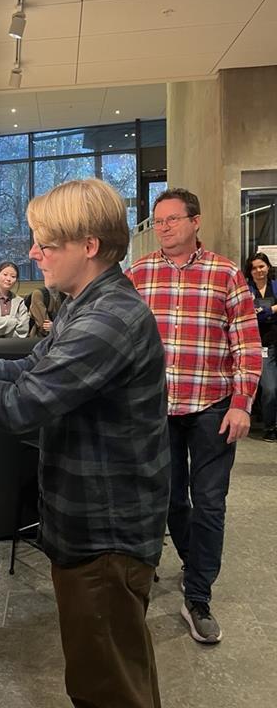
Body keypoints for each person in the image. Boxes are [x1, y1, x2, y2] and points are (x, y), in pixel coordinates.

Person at [0, 179, 170, 708]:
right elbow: (35, 369)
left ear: (89, 245)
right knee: (109, 673)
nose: (33, 253)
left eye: (46, 244)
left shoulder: (109, 320)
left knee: (108, 689)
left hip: (105, 537)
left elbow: (20, 407)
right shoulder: (84, 305)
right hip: (90, 526)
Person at [127, 188, 262, 645]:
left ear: (195, 221)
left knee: (209, 502)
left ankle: (199, 596)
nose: (163, 227)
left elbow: (246, 344)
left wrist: (242, 402)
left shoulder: (226, 274)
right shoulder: (138, 274)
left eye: (172, 220)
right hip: (156, 410)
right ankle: (191, 560)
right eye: (157, 221)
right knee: (168, 499)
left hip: (213, 408)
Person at [244, 251, 277, 441]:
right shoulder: (246, 290)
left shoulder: (275, 285)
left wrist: (263, 312)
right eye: (254, 268)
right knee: (270, 388)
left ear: (268, 267)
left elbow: (259, 314)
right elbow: (250, 315)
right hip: (262, 346)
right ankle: (270, 426)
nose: (259, 271)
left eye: (261, 266)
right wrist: (272, 309)